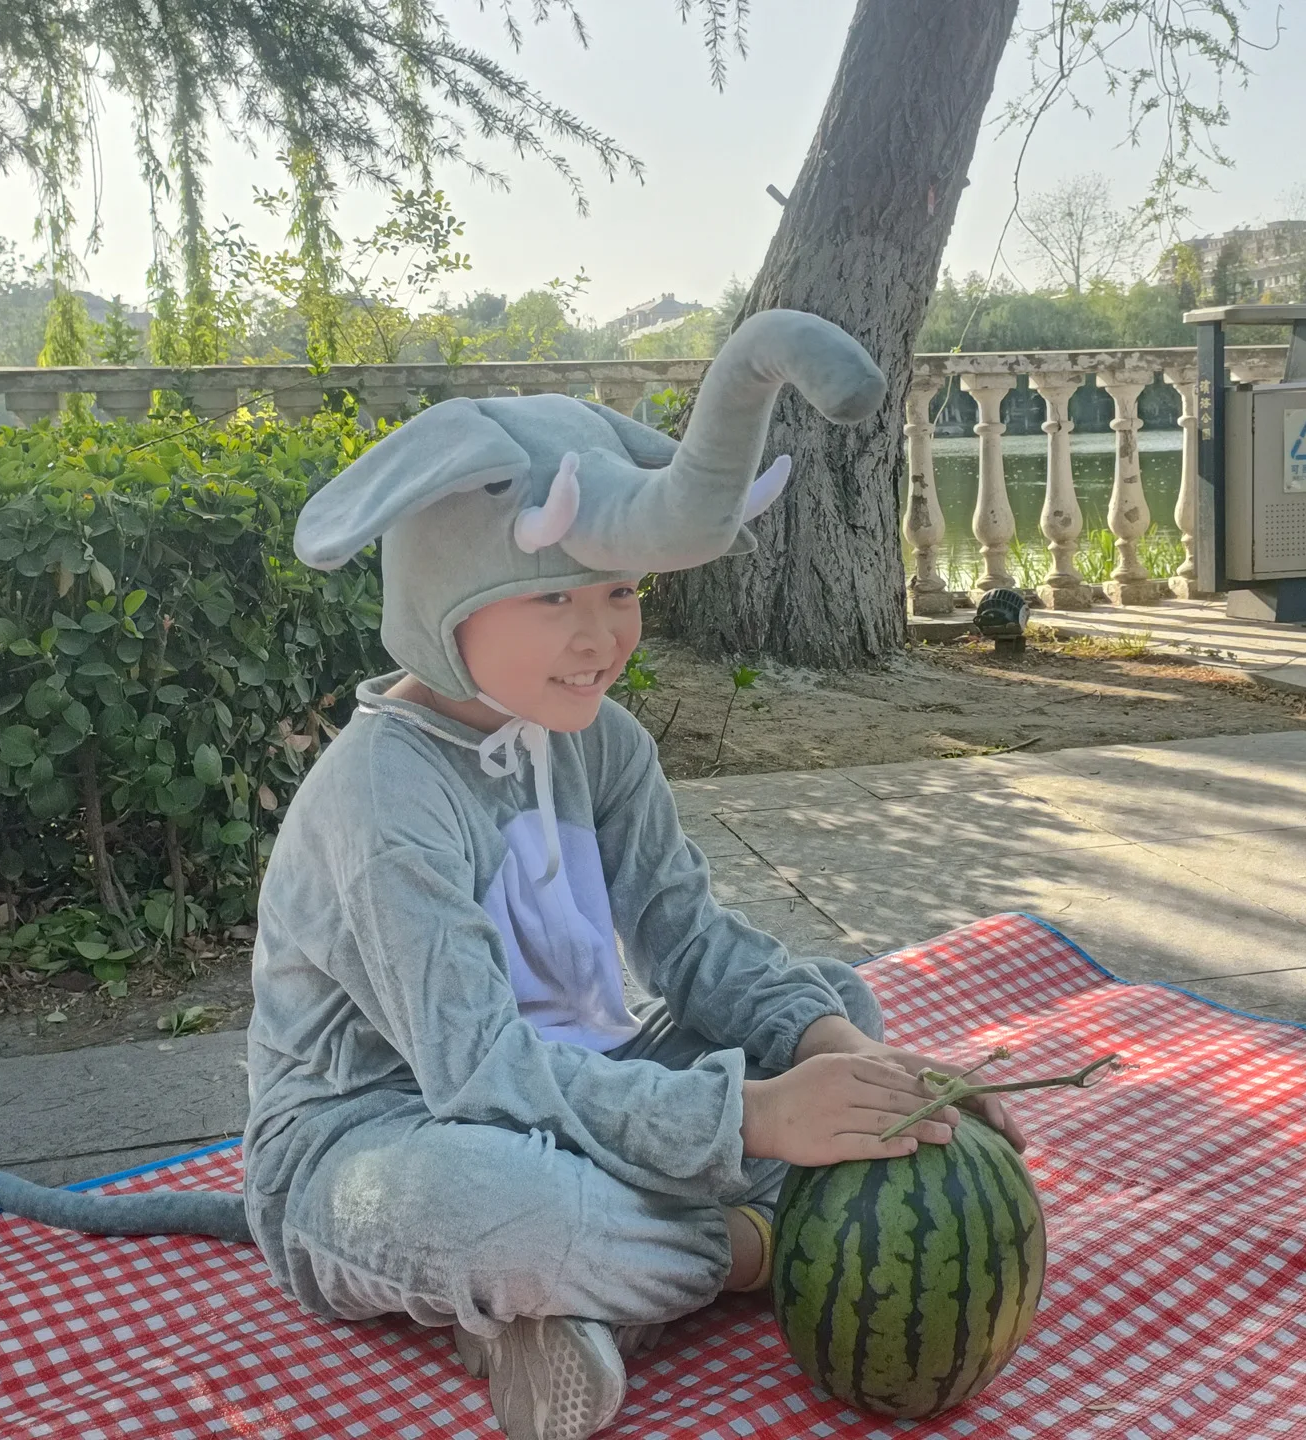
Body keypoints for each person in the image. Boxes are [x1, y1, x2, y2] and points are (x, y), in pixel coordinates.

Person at [241, 310, 1026, 1440]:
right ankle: (742, 1250)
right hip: (382, 1135)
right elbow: (476, 1074)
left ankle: (574, 1312)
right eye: (555, 596)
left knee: (833, 1001)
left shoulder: (598, 739)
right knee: (521, 1216)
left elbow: (693, 943)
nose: (600, 636)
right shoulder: (383, 801)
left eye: (620, 593)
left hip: (578, 1068)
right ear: (445, 596)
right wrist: (754, 1123)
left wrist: (850, 1062)